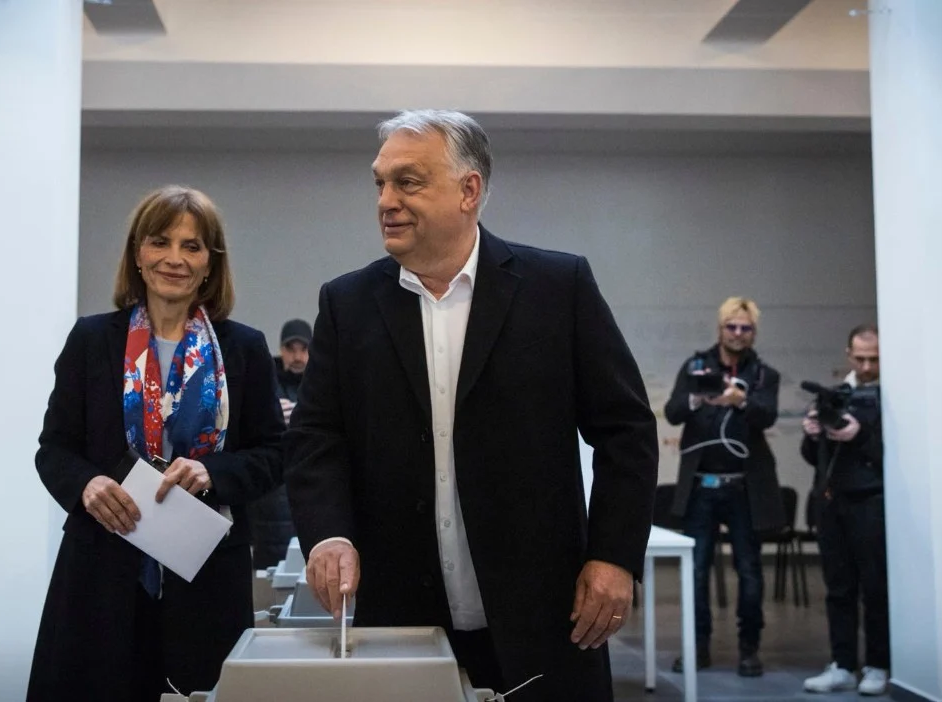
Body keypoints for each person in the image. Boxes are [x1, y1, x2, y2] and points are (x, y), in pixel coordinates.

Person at [284, 109, 658, 701]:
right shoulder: (347, 303)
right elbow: (316, 438)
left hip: (544, 613)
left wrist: (613, 556)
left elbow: (626, 430)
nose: (386, 201)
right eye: (380, 183)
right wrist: (328, 534)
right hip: (400, 615)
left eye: (407, 182)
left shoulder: (557, 288)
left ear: (469, 190)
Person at [27, 186, 284, 701]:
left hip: (206, 575)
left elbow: (275, 453)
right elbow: (53, 449)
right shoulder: (92, 340)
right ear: (138, 255)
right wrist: (87, 484)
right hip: (102, 569)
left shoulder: (245, 348)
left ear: (210, 263)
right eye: (160, 242)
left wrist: (214, 472)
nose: (174, 258)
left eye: (192, 246)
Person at [663, 297, 784, 677]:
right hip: (701, 486)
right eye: (732, 326)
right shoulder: (696, 367)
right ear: (720, 329)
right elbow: (672, 412)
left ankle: (749, 650)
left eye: (745, 328)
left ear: (753, 333)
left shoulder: (764, 374)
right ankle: (696, 648)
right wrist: (697, 396)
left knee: (749, 570)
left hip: (745, 488)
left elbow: (768, 416)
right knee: (696, 570)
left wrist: (742, 401)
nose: (738, 333)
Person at [801, 325, 888, 696]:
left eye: (875, 359)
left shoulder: (894, 396)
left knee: (875, 588)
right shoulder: (835, 396)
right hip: (831, 501)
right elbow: (814, 458)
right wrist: (812, 433)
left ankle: (878, 665)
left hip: (871, 501)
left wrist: (861, 435)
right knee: (838, 588)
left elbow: (894, 456)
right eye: (861, 358)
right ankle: (842, 664)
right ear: (848, 354)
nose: (866, 366)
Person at [247, 319, 311, 568]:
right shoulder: (263, 382)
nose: (297, 356)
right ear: (281, 350)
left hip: (308, 484)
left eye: (303, 349)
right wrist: (272, 414)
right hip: (271, 493)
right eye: (291, 349)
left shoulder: (323, 384)